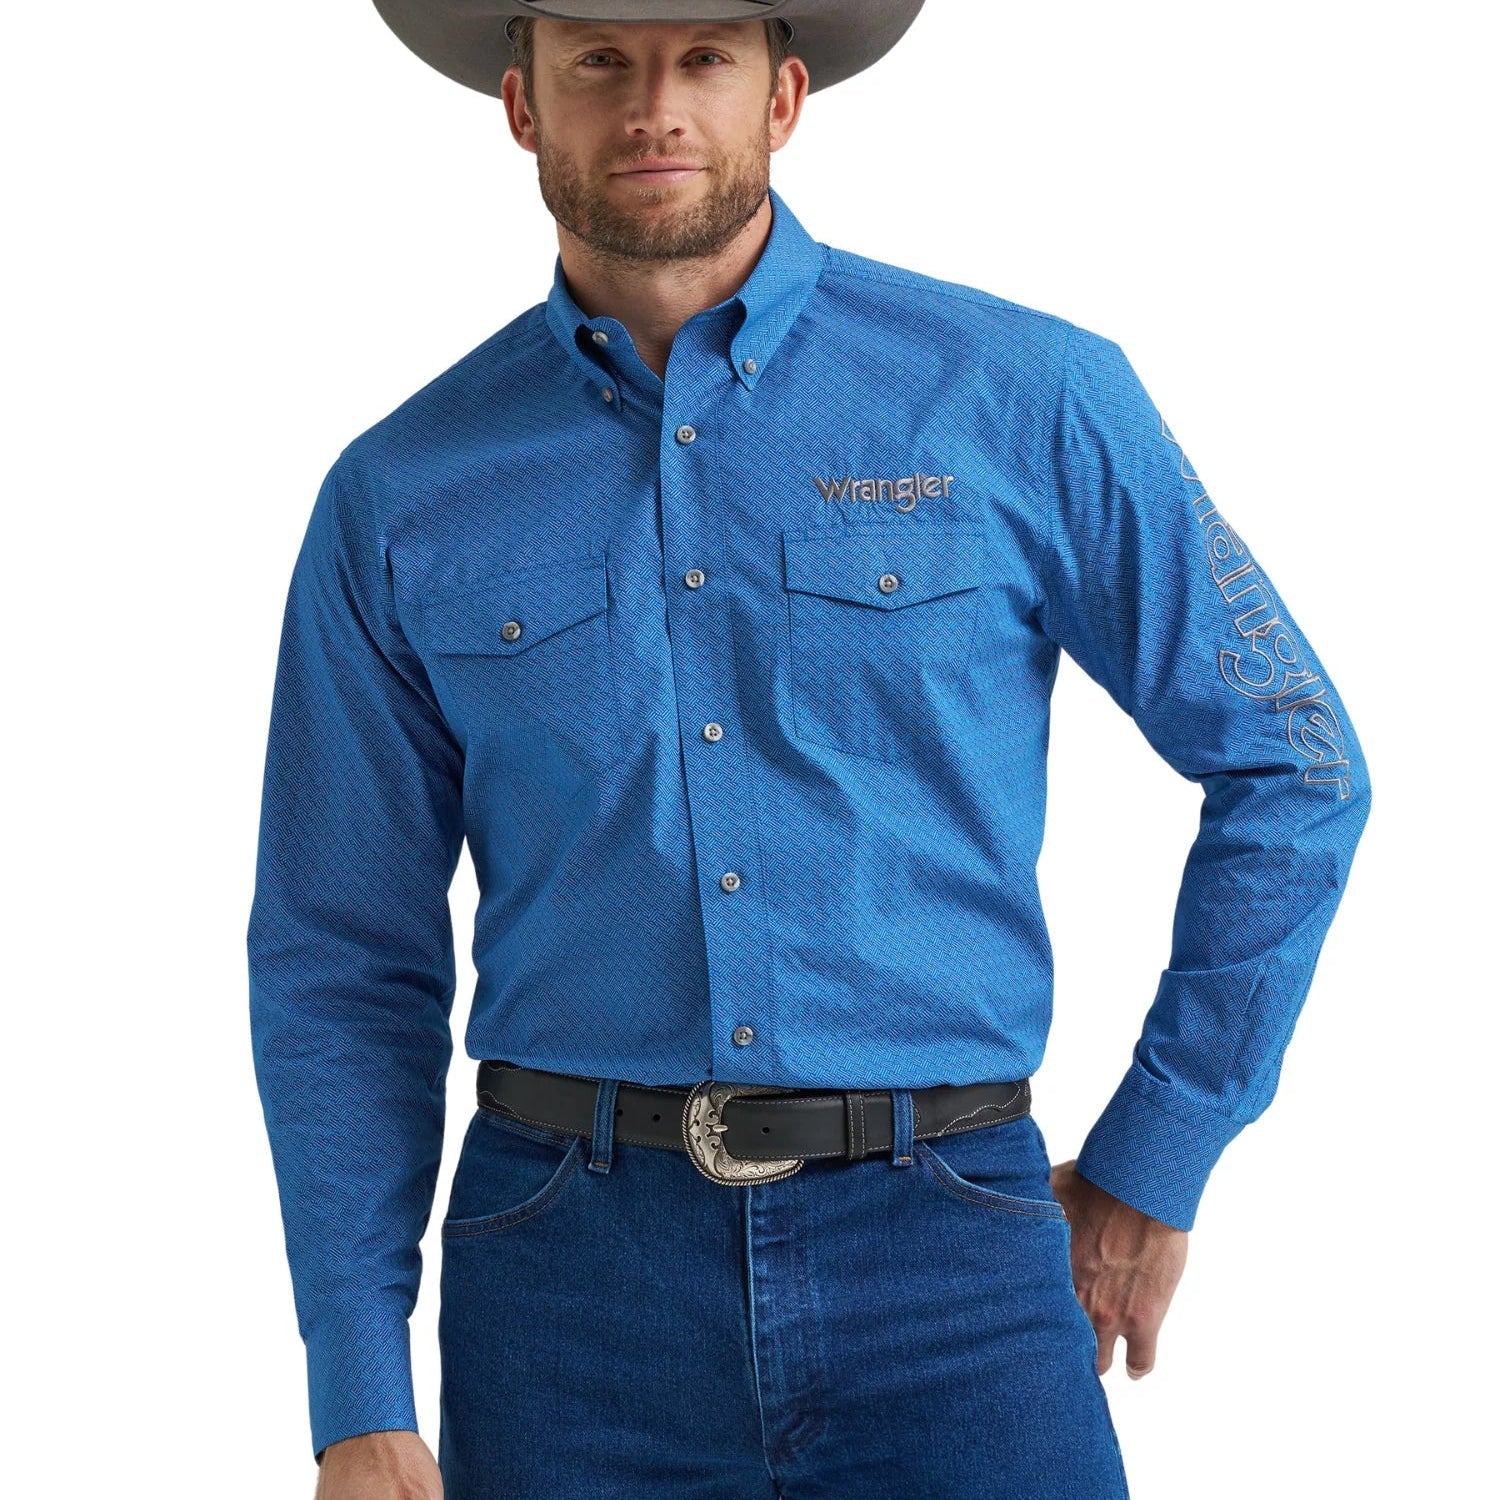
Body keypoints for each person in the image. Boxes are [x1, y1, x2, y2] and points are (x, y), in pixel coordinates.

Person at [246, 3, 1371, 1497]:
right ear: (524, 105)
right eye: (600, 61)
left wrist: (1159, 1154)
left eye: (703, 58)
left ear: (781, 97)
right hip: (566, 1289)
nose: (654, 106)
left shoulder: (1025, 397)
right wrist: (356, 1387)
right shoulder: (401, 491)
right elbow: (340, 953)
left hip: (953, 1262)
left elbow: (1295, 763)